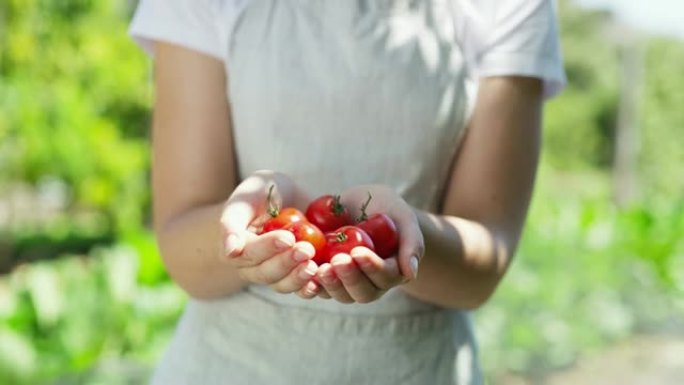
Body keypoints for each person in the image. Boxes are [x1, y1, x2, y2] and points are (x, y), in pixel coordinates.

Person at [129, 0, 566, 383]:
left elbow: (482, 268)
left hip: (418, 370)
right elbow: (182, 248)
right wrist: (245, 232)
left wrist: (408, 236)